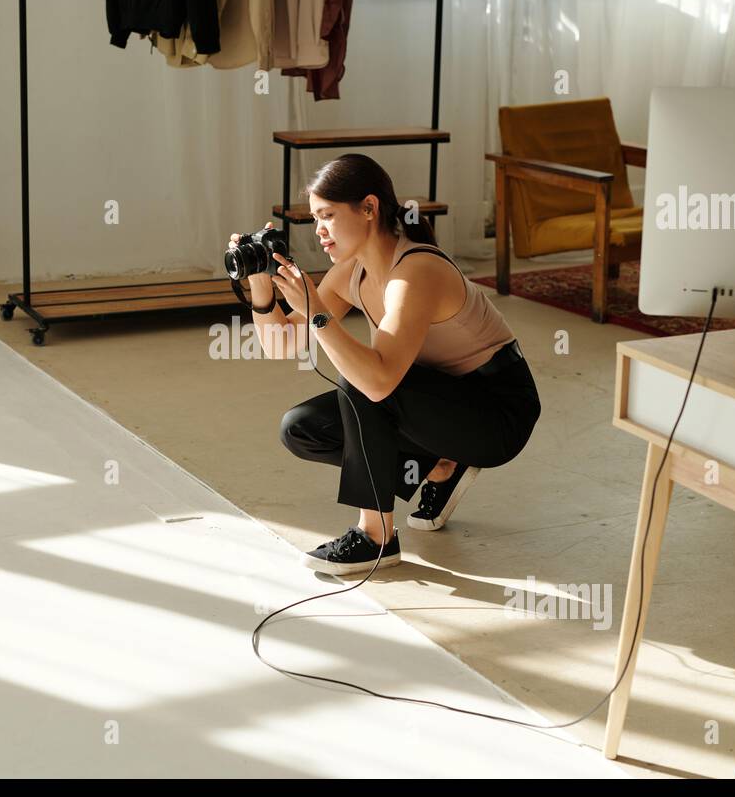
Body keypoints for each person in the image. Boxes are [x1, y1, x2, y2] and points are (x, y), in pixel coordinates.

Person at [229, 153, 541, 575]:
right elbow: (282, 344)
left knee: (360, 380)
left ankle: (376, 537)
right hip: (437, 400)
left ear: (370, 209)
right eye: (314, 219)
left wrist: (318, 313)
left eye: (328, 216)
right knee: (301, 428)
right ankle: (440, 465)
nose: (318, 231)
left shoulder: (417, 272)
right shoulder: (352, 271)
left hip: (496, 412)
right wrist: (261, 286)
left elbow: (376, 383)